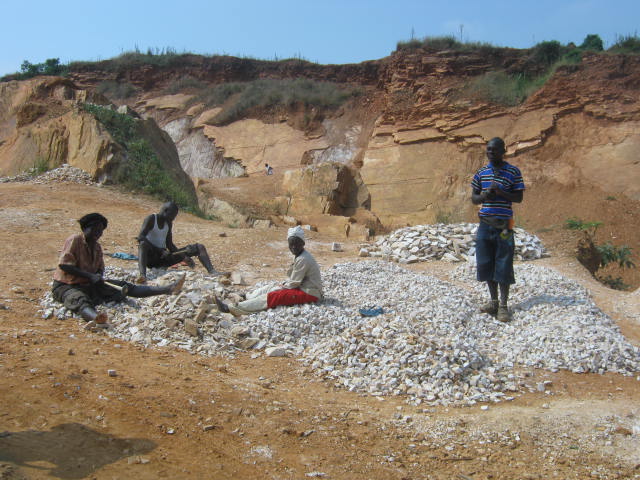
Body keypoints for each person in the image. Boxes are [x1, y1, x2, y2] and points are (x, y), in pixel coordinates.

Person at [52, 213, 185, 325]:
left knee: (124, 287)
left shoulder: (97, 247)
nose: (98, 233)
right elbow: (64, 265)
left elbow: (99, 268)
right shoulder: (75, 240)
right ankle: (96, 318)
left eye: (100, 231)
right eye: (95, 229)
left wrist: (97, 276)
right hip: (67, 285)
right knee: (79, 299)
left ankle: (168, 289)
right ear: (86, 228)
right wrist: (90, 276)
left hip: (89, 284)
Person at [471, 137, 525, 322]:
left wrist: (501, 192)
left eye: (494, 150)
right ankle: (493, 301)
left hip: (506, 223)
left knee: (504, 261)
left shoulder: (513, 172)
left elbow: (518, 198)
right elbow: (474, 199)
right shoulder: (481, 173)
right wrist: (485, 195)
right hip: (485, 223)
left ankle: (503, 305)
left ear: (503, 151)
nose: (490, 152)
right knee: (486, 261)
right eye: (488, 149)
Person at [215, 226, 323, 316]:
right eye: (291, 244)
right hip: (303, 287)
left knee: (274, 295)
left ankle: (233, 308)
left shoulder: (303, 259)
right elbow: (293, 280)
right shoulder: (300, 255)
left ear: (303, 244)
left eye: (297, 244)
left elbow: (294, 283)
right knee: (271, 287)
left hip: (310, 293)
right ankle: (248, 296)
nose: (293, 247)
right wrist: (281, 285)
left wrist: (281, 287)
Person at [137, 201, 223, 282]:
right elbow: (140, 237)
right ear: (165, 211)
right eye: (172, 215)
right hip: (151, 258)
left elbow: (170, 245)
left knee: (199, 247)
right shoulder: (151, 219)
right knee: (143, 244)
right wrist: (160, 251)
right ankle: (142, 275)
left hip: (163, 258)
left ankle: (212, 271)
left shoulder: (168, 223)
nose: (173, 219)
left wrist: (183, 257)